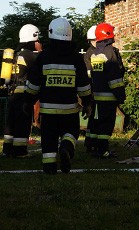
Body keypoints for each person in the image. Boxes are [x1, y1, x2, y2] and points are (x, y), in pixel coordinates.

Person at [25, 17, 92, 174]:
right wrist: (87, 103)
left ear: (51, 33)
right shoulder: (76, 58)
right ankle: (66, 148)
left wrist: (27, 101)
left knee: (49, 139)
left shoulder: (43, 57)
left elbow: (33, 84)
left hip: (48, 112)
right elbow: (84, 86)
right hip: (70, 110)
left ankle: (49, 168)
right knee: (71, 133)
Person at [87, 22, 126, 158]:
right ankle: (103, 151)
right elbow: (114, 78)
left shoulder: (96, 53)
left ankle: (95, 148)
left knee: (97, 123)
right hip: (108, 97)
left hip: (97, 96)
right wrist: (120, 95)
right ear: (108, 34)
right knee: (106, 125)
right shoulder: (110, 52)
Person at [2, 24, 42, 157]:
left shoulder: (15, 53)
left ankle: (7, 149)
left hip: (12, 92)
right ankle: (20, 151)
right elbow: (41, 66)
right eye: (37, 39)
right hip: (23, 93)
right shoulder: (29, 55)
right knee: (22, 122)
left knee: (11, 122)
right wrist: (40, 51)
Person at [82, 25, 97, 152]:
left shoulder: (90, 53)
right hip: (93, 90)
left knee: (94, 117)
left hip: (93, 89)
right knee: (93, 117)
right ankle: (91, 143)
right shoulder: (90, 54)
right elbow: (89, 74)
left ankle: (90, 142)